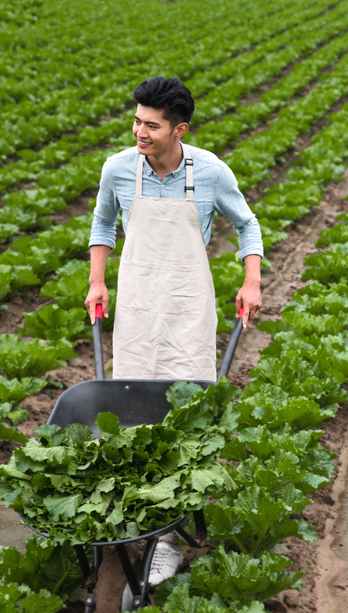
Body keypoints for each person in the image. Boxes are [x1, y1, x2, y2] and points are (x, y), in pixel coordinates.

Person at [83, 76, 263, 599]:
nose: (139, 131)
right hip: (137, 304)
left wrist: (251, 282)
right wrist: (97, 280)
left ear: (178, 130)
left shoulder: (209, 172)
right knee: (135, 405)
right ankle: (137, 505)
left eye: (151, 125)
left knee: (186, 413)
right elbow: (102, 223)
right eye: (137, 121)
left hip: (188, 306)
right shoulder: (118, 168)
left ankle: (169, 533)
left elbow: (247, 225)